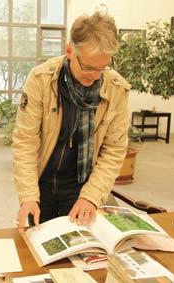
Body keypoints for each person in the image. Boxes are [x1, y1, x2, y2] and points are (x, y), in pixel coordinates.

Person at [12, 12, 131, 232]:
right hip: (44, 183)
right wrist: (28, 195)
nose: (95, 76)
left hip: (83, 186)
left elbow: (114, 150)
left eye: (102, 68)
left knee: (79, 251)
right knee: (42, 247)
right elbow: (25, 142)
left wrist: (92, 197)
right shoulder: (41, 80)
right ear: (70, 51)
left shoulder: (116, 89)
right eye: (88, 67)